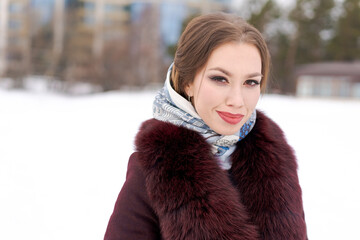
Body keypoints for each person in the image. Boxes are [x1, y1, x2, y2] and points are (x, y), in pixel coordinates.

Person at [104, 12, 307, 240]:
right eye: (220, 79)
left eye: (251, 82)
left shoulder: (276, 161)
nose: (237, 100)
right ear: (188, 81)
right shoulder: (156, 167)